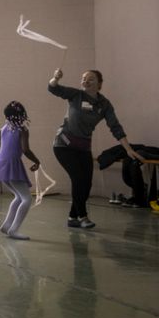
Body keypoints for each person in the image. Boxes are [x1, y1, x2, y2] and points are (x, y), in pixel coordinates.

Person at [48, 68, 144, 229]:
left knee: (87, 183)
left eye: (90, 79)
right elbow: (53, 88)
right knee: (78, 179)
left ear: (99, 84)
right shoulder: (75, 95)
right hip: (64, 145)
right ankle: (83, 216)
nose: (85, 80)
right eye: (83, 78)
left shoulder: (104, 104)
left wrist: (128, 149)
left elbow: (115, 127)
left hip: (84, 148)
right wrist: (55, 78)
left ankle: (72, 217)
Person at [0, 101, 41, 240]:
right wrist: (36, 161)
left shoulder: (5, 127)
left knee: (18, 196)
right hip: (11, 164)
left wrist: (0, 156)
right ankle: (13, 230)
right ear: (22, 115)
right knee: (27, 199)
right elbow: (25, 149)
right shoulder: (22, 130)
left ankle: (7, 225)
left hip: (0, 163)